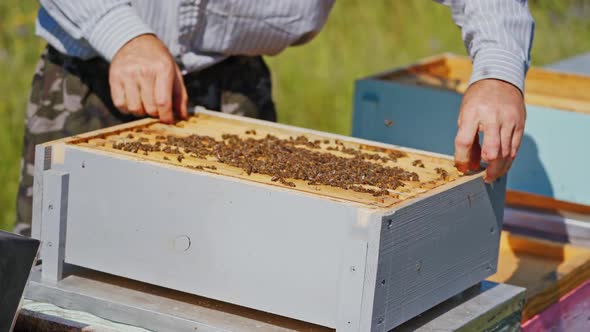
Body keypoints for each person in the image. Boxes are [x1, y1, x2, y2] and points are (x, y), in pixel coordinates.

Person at [14, 0, 534, 235]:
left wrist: (499, 73)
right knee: (58, 281)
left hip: (235, 83)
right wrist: (120, 30)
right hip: (99, 74)